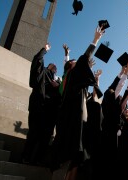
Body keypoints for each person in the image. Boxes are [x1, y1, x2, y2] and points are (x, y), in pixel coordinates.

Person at [52, 25, 104, 180]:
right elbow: (84, 57)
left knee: (77, 156)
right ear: (72, 67)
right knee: (72, 153)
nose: (80, 63)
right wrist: (95, 40)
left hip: (76, 122)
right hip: (71, 120)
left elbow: (83, 66)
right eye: (75, 62)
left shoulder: (76, 82)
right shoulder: (71, 75)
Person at [22, 43, 51, 165]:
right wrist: (44, 50)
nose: (55, 67)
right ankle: (26, 157)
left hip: (45, 112)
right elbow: (37, 61)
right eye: (52, 66)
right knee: (33, 132)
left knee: (41, 136)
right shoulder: (42, 74)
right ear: (46, 68)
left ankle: (35, 159)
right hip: (36, 106)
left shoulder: (52, 82)